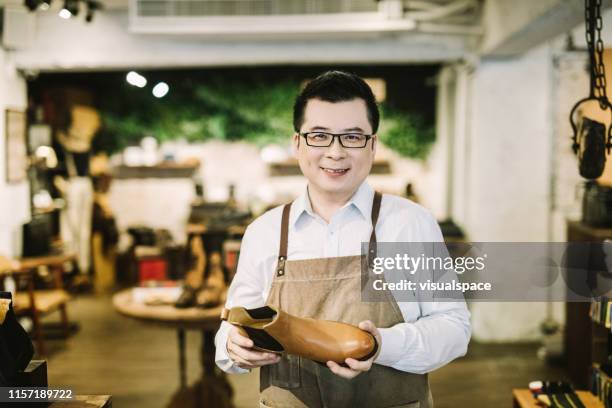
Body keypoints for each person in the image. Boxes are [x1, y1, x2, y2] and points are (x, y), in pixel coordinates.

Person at [214, 71, 471, 407]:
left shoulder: (411, 224)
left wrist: (380, 346)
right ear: (298, 143)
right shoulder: (264, 233)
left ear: (373, 144)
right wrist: (234, 346)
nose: (335, 152)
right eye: (319, 136)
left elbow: (454, 328)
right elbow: (232, 325)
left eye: (352, 137)